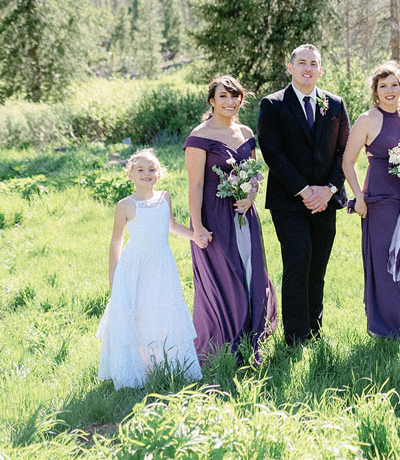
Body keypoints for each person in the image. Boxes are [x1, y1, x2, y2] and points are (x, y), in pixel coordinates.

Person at [257, 44, 350, 346]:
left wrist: (329, 189)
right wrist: (304, 190)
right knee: (298, 262)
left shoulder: (334, 104)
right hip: (289, 201)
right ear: (291, 67)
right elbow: (273, 151)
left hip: (327, 200)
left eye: (313, 64)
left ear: (320, 69)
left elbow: (344, 152)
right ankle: (295, 337)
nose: (308, 68)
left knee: (318, 267)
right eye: (302, 63)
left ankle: (315, 331)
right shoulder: (274, 105)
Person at [185, 76, 277, 360]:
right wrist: (198, 227)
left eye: (235, 96)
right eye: (223, 96)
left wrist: (251, 197)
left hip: (243, 214)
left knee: (250, 271)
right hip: (213, 217)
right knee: (225, 275)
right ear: (212, 101)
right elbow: (196, 185)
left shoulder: (246, 133)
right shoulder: (199, 137)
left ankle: (252, 337)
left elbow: (253, 176)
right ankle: (225, 342)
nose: (230, 102)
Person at [97, 149, 201, 389]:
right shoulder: (125, 205)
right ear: (130, 174)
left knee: (161, 310)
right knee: (137, 312)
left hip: (162, 266)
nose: (146, 173)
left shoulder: (165, 198)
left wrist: (196, 236)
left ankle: (162, 364)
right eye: (140, 169)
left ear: (159, 174)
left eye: (152, 169)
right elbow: (116, 242)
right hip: (135, 267)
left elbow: (172, 225)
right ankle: (136, 368)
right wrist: (113, 277)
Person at [343, 62, 400, 338]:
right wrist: (358, 197)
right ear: (375, 91)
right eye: (383, 86)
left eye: (394, 85)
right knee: (384, 261)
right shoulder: (367, 120)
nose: (389, 91)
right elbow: (348, 162)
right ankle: (383, 327)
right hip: (379, 200)